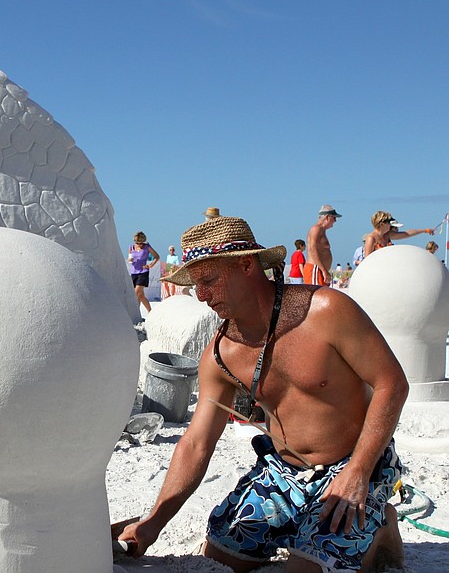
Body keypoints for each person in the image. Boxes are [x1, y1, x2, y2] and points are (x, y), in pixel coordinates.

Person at [119, 216, 408, 572]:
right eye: (196, 285)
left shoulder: (327, 311)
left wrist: (360, 470)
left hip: (353, 465)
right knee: (221, 554)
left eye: (209, 280)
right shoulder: (220, 354)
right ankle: (301, 525)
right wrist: (153, 523)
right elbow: (195, 443)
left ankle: (382, 524)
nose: (202, 296)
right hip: (283, 474)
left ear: (246, 264)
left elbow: (392, 383)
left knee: (306, 570)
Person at [363, 211, 434, 258]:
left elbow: (407, 234)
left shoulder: (387, 234)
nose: (390, 226)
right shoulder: (371, 238)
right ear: (382, 224)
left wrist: (425, 230)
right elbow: (367, 260)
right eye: (388, 223)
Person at [303, 205, 341, 286]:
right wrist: (323, 270)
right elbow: (312, 249)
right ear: (327, 217)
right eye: (334, 218)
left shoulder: (321, 230)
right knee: (317, 297)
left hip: (319, 270)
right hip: (315, 269)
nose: (335, 221)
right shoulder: (316, 229)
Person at [127, 231, 160, 313]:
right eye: (138, 243)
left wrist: (150, 265)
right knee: (141, 295)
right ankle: (150, 312)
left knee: (136, 292)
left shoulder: (147, 247)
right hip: (134, 272)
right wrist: (129, 260)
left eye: (142, 243)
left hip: (143, 272)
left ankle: (135, 312)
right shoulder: (131, 247)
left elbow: (157, 257)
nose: (140, 245)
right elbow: (129, 258)